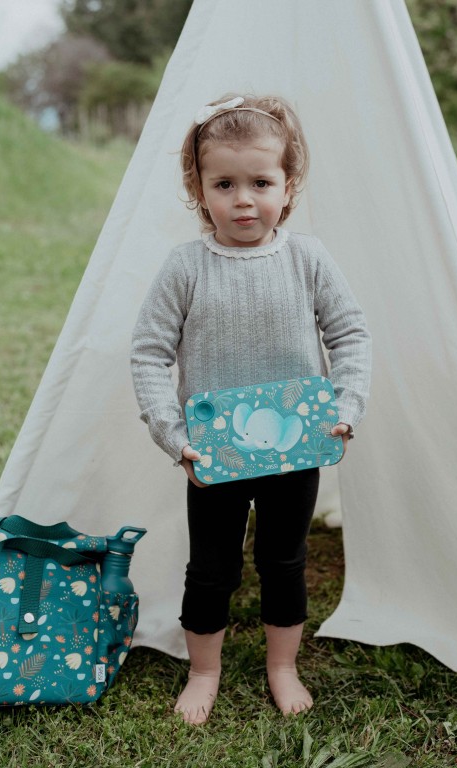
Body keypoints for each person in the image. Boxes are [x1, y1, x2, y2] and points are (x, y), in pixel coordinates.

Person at [130, 94, 372, 724]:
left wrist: (345, 405)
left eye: (261, 182)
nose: (244, 199)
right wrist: (171, 432)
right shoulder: (185, 267)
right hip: (214, 452)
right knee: (210, 567)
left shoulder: (307, 259)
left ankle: (281, 665)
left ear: (288, 187)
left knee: (284, 561)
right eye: (225, 183)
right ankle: (204, 670)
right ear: (198, 187)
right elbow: (150, 353)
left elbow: (350, 335)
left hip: (296, 451)